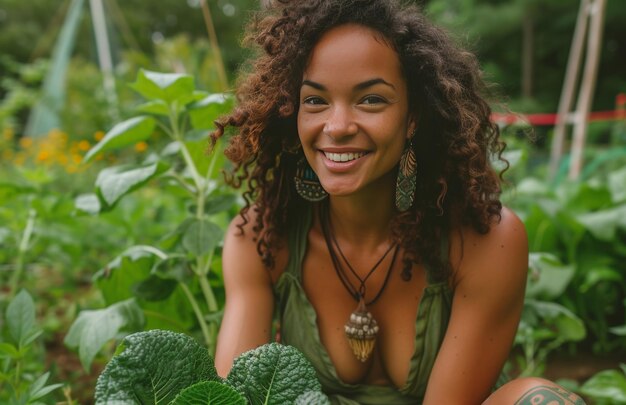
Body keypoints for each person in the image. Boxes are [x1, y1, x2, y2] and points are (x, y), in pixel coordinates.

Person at [212, 1, 585, 404]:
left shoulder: (485, 242)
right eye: (315, 101)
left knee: (542, 399)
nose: (337, 127)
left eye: (371, 100)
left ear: (413, 117)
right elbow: (236, 395)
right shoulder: (261, 237)